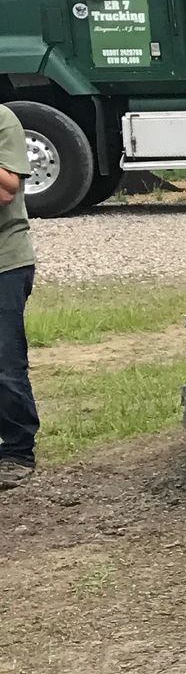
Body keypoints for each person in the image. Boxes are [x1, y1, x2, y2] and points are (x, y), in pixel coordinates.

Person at [0, 100, 37, 486]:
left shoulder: (2, 118)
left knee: (5, 365)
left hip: (5, 262)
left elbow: (7, 189)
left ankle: (17, 451)